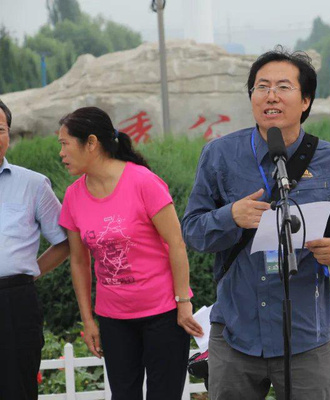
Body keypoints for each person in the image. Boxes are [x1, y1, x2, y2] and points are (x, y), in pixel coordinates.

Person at [182, 47, 330, 399]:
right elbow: (192, 230)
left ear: (306, 100)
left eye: (283, 87)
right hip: (235, 333)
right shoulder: (220, 155)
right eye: (261, 87)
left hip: (305, 335)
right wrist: (229, 216)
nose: (271, 96)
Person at [57, 107, 203, 400]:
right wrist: (88, 320)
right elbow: (79, 261)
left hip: (163, 313)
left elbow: (176, 243)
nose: (61, 153)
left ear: (91, 142)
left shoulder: (143, 182)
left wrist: (183, 302)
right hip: (114, 318)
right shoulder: (73, 195)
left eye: (65, 144)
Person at [0, 99, 70, 400]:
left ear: (9, 133)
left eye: (0, 129)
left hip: (14, 302)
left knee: (17, 387)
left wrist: (30, 273)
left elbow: (65, 241)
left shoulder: (33, 184)